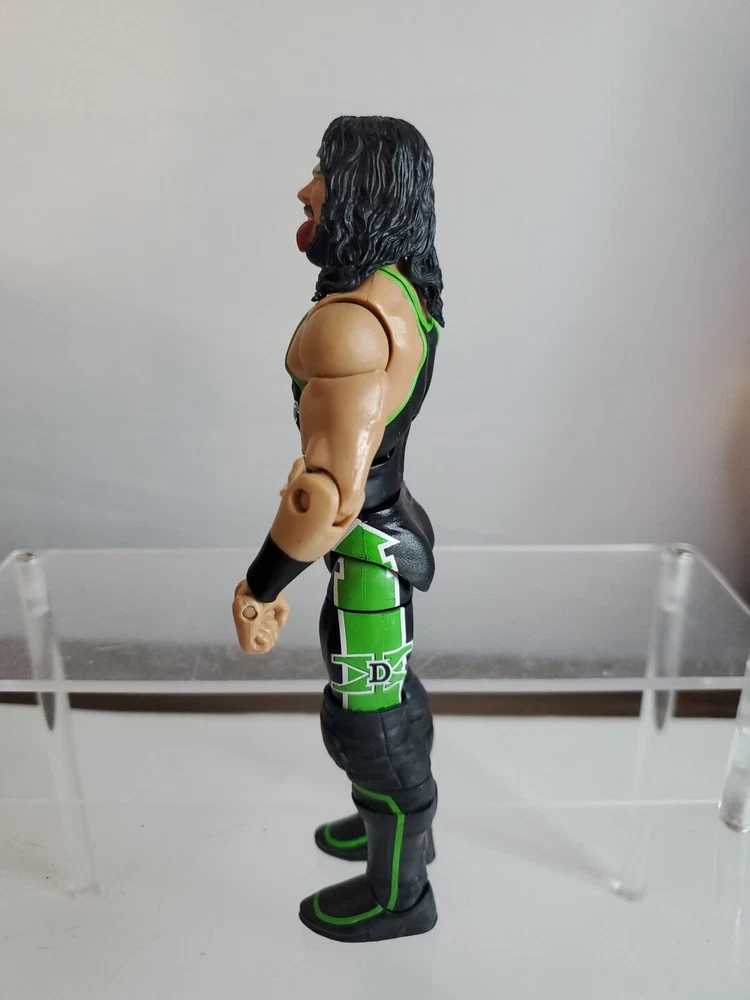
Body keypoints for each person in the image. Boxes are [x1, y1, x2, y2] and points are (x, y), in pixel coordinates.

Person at [233, 115, 444, 942]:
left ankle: (401, 891)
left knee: (367, 722)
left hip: (364, 563)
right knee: (382, 698)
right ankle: (386, 823)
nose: (306, 188)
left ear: (363, 188)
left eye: (322, 170)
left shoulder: (350, 325)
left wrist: (260, 585)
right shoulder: (402, 288)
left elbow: (326, 496)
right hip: (383, 539)